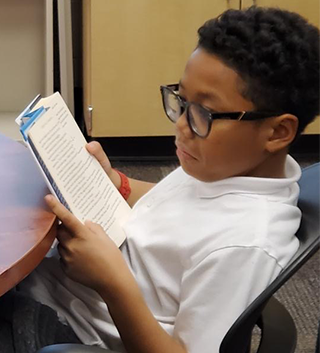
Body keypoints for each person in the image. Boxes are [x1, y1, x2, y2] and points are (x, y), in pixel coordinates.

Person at [2, 5, 320, 353]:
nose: (181, 125)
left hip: (69, 325)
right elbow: (181, 212)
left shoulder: (244, 246)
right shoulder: (225, 168)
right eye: (182, 101)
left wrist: (112, 283)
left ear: (278, 131)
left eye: (204, 113)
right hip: (54, 284)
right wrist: (116, 183)